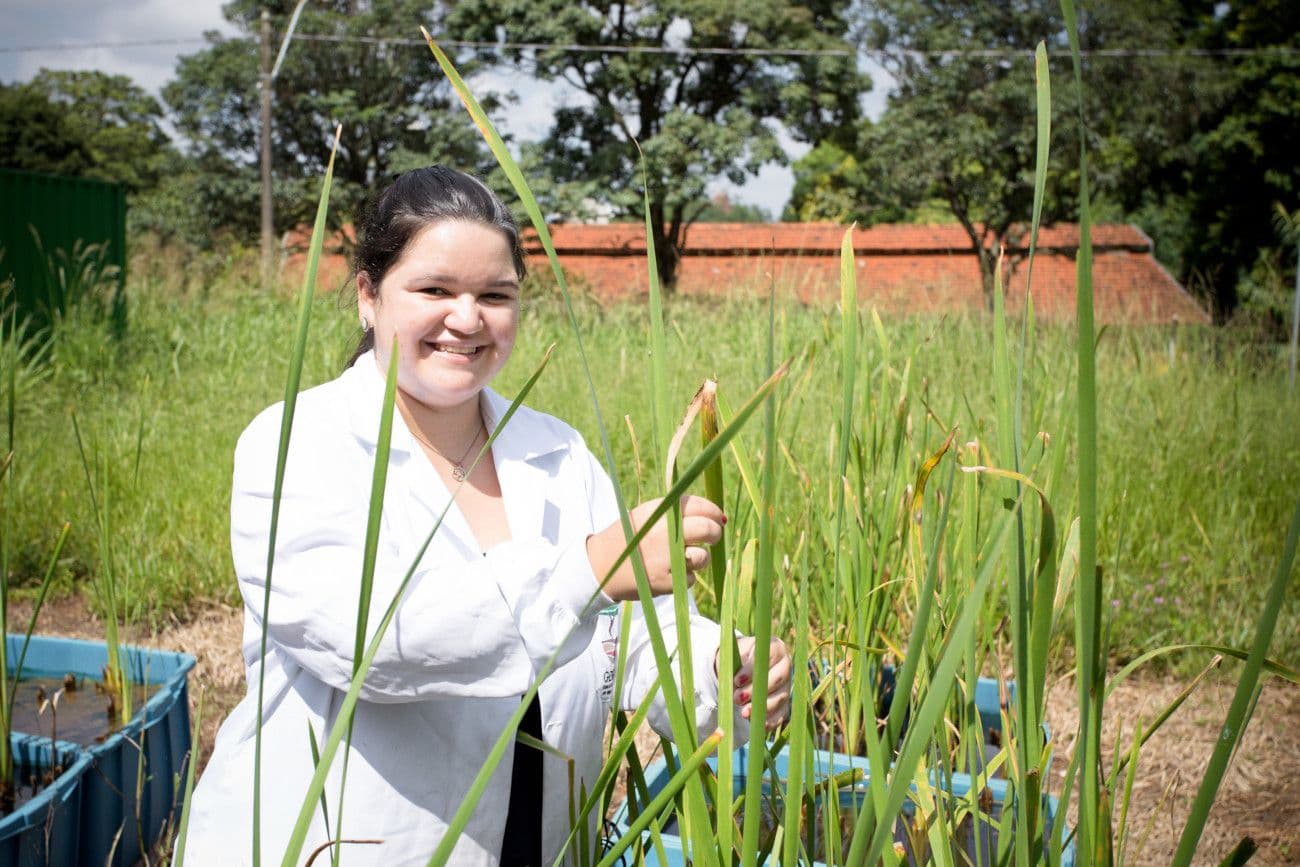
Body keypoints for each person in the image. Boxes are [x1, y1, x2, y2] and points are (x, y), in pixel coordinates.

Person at [181, 166, 791, 867]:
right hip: (343, 844)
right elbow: (372, 644)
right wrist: (596, 564)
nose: (467, 318)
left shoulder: (557, 451)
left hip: (540, 839)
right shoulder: (299, 442)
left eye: (495, 295)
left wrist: (719, 665)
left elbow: (612, 642)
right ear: (368, 297)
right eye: (434, 289)